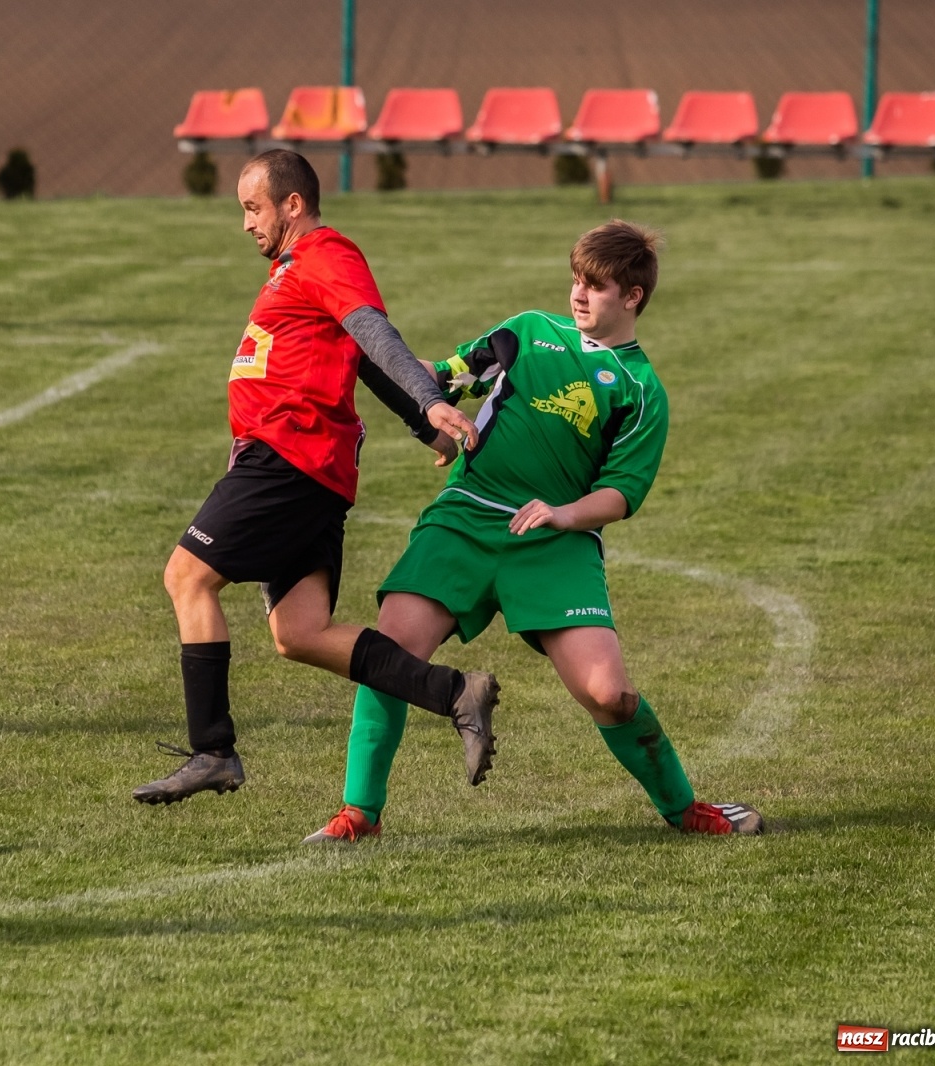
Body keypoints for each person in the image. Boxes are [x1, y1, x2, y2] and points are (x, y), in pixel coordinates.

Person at [302, 220, 764, 844]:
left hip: (555, 542)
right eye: (576, 280)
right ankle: (359, 815)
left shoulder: (639, 389)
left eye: (596, 286)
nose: (578, 295)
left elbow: (621, 493)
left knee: (611, 697)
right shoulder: (527, 332)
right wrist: (365, 345)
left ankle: (686, 808)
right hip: (465, 517)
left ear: (632, 297)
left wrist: (564, 514)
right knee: (391, 655)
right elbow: (442, 375)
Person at [133, 149, 499, 806]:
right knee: (298, 633)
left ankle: (212, 750)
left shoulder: (327, 254)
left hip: (291, 458)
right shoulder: (293, 270)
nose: (246, 223)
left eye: (253, 207)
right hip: (299, 467)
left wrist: (429, 399)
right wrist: (426, 429)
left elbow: (374, 334)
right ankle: (455, 694)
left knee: (186, 577)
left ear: (292, 204)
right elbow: (355, 357)